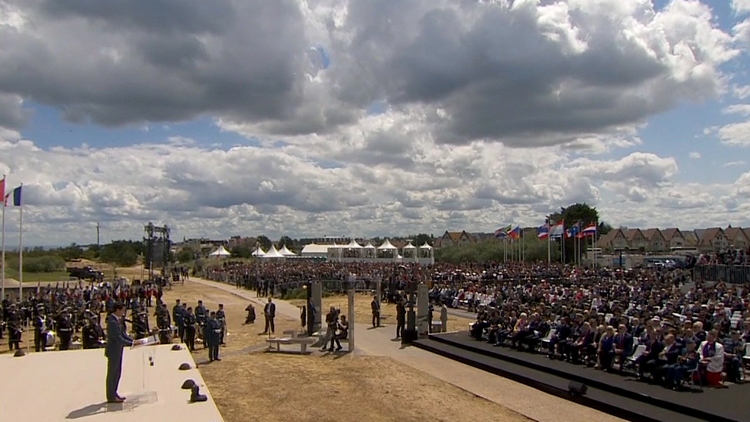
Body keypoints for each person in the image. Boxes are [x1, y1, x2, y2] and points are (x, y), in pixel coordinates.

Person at [105, 302, 134, 403]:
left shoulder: (117, 320)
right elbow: (118, 338)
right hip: (114, 351)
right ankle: (111, 396)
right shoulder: (112, 322)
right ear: (117, 310)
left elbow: (123, 334)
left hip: (118, 350)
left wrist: (133, 341)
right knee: (112, 373)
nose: (123, 313)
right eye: (122, 310)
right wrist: (131, 344)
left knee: (117, 373)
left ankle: (114, 393)